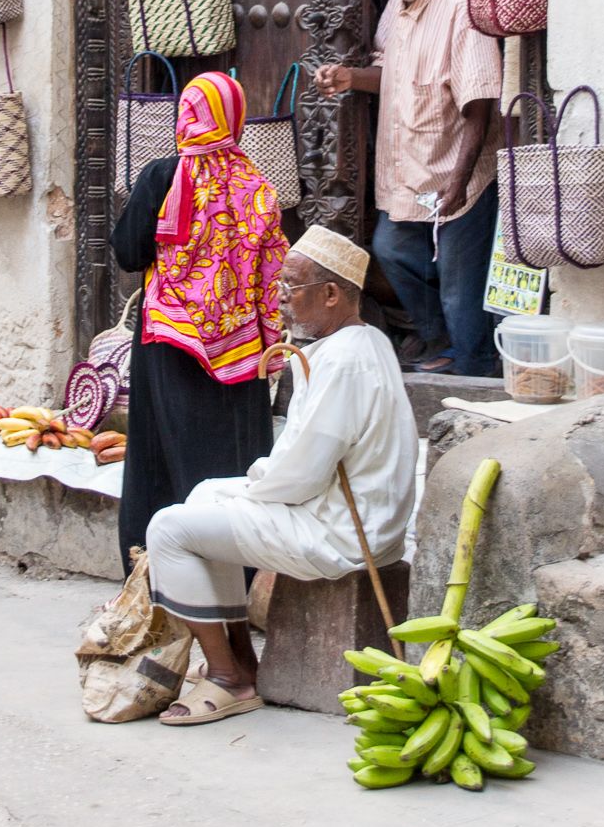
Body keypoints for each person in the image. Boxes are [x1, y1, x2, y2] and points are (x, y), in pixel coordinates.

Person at [145, 225, 419, 726]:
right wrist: (260, 481)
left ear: (332, 294)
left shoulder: (343, 362)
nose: (281, 301)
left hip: (341, 535)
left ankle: (230, 678)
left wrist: (258, 479)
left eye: (290, 288)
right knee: (205, 494)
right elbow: (303, 467)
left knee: (168, 528)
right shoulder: (368, 342)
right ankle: (239, 661)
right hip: (350, 516)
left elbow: (299, 477)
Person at [110, 70, 289, 574]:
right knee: (237, 455)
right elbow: (271, 272)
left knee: (159, 454)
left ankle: (156, 573)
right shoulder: (258, 187)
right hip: (239, 348)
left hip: (169, 343)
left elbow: (128, 252)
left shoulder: (162, 177)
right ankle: (243, 576)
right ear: (235, 118)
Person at [314, 0, 502, 376]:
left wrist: (459, 181)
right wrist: (349, 78)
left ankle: (475, 371)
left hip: (456, 172)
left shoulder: (461, 5)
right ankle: (440, 342)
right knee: (394, 248)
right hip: (412, 171)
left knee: (462, 284)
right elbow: (393, 74)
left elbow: (480, 105)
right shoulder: (398, 5)